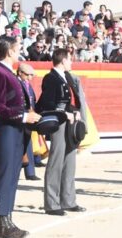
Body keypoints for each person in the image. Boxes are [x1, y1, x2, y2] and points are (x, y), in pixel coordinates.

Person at [0, 36, 41, 238]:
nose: (19, 51)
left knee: (12, 174)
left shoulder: (6, 73)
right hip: (8, 129)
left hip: (16, 129)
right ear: (9, 51)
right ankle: (3, 222)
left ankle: (7, 219)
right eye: (17, 48)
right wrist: (24, 116)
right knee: (5, 174)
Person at [36, 48, 86, 216]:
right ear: (63, 60)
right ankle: (51, 203)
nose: (71, 62)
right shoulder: (50, 78)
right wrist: (65, 113)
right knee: (56, 161)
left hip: (71, 122)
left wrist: (76, 110)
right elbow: (48, 105)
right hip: (59, 123)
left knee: (70, 160)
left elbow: (71, 101)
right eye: (69, 59)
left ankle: (68, 200)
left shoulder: (68, 77)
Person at [17, 63, 42, 181]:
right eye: (27, 75)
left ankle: (30, 172)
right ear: (20, 73)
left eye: (31, 75)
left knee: (28, 143)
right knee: (16, 144)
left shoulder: (27, 84)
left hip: (29, 117)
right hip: (19, 117)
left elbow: (33, 100)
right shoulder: (16, 83)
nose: (29, 77)